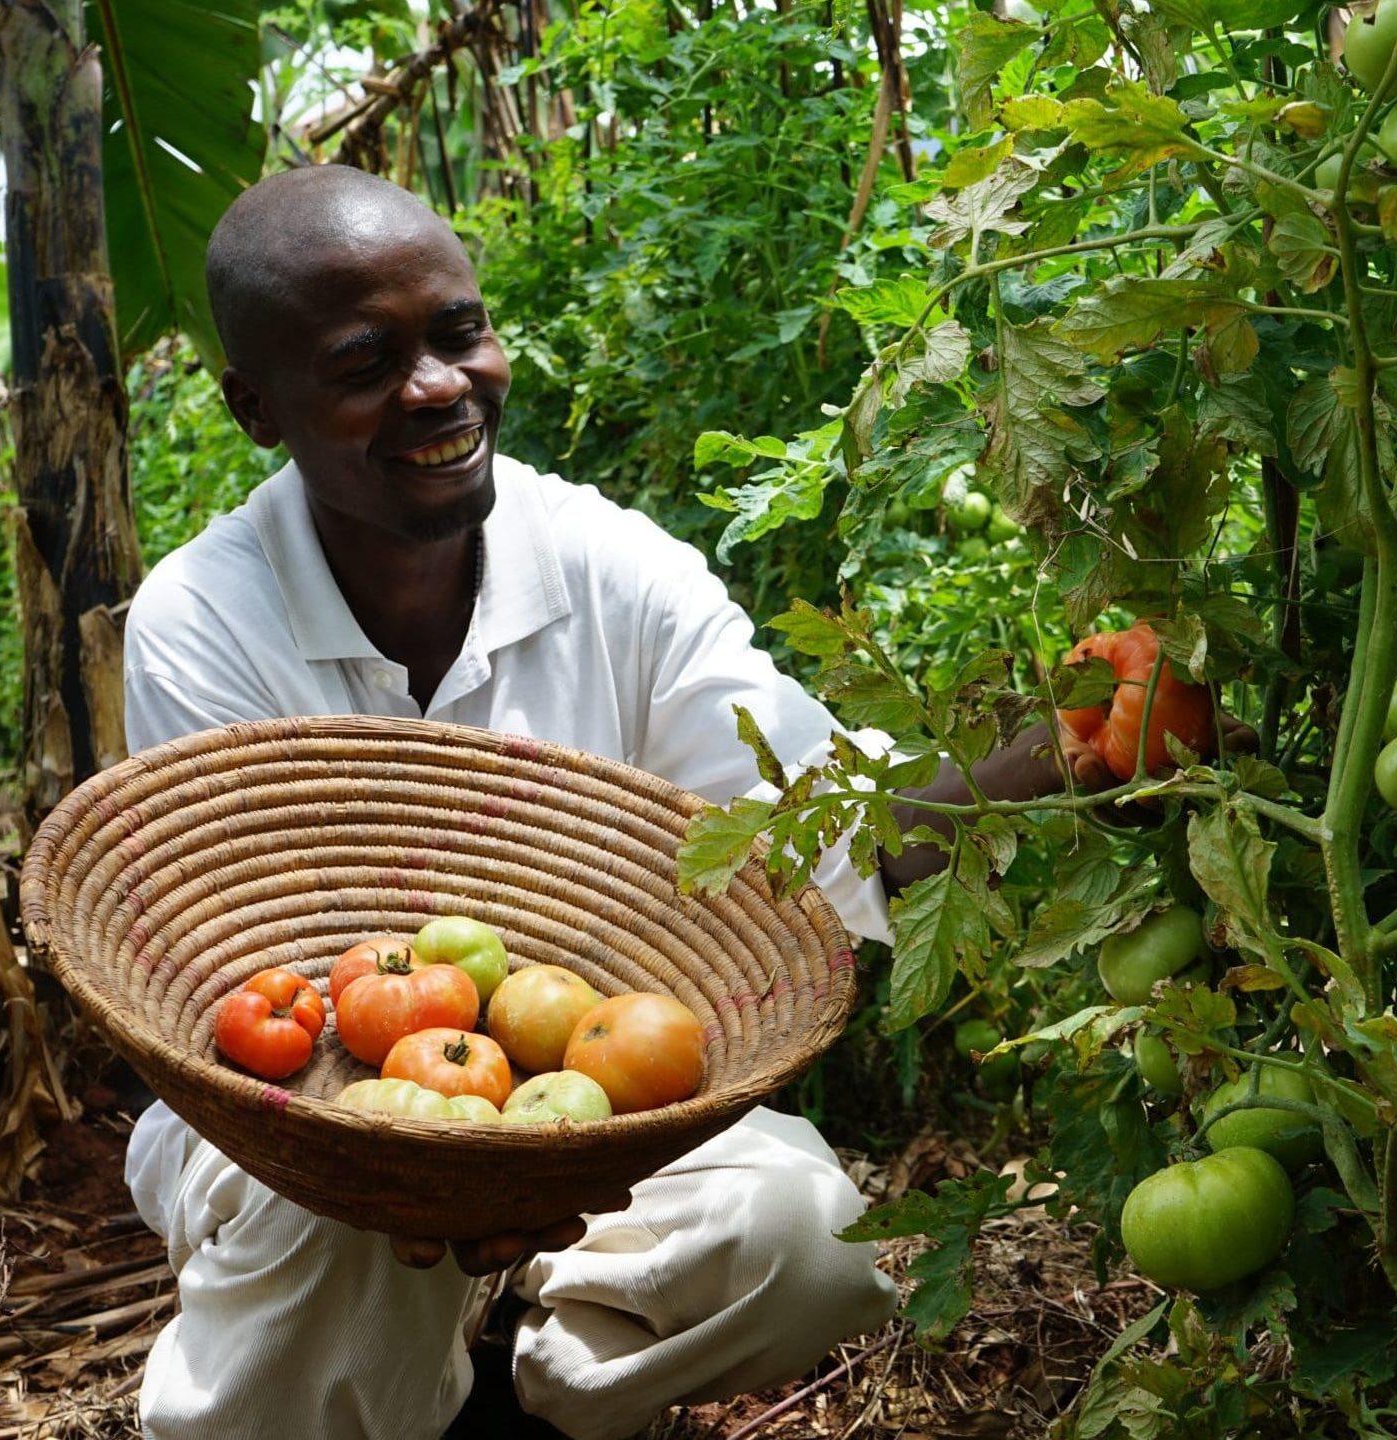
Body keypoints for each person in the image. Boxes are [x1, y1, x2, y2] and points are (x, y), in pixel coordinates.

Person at [119, 164, 1111, 1440]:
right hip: (308, 1132)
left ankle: (531, 1402)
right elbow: (250, 990)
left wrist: (1066, 759)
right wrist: (431, 1163)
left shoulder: (611, 570)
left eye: (459, 333)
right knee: (331, 1271)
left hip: (578, 1117)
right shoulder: (205, 621)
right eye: (368, 361)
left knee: (808, 1241)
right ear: (256, 407)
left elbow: (802, 816)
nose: (438, 385)